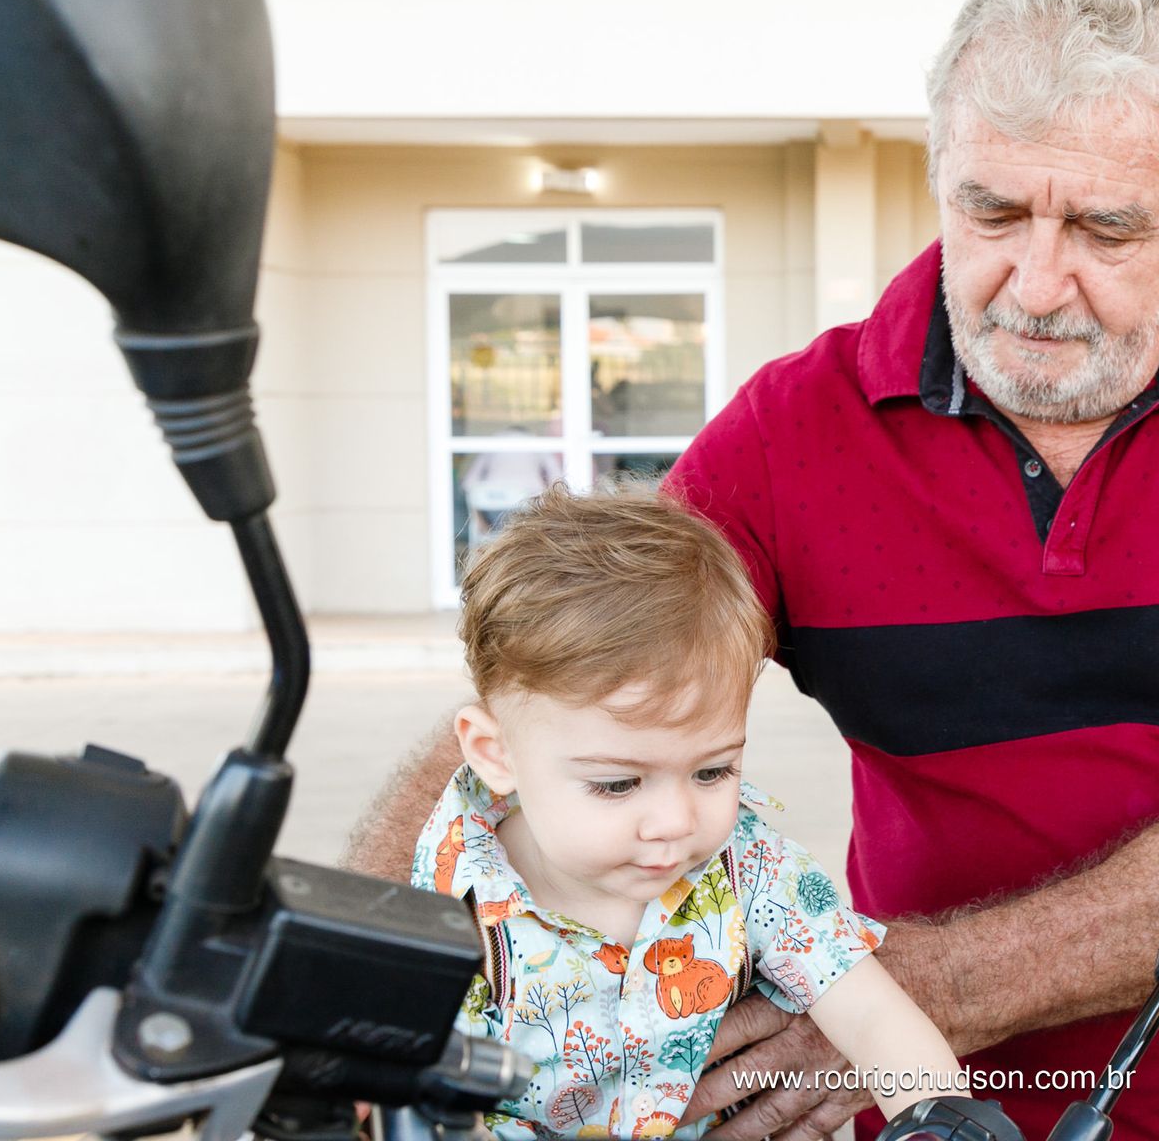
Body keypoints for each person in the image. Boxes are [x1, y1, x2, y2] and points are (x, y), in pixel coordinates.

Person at [351, 0, 1159, 1139]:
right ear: (942, 174)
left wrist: (883, 997)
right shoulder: (796, 433)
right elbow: (555, 688)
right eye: (991, 212)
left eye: (1103, 229)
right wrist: (337, 981)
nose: (1035, 284)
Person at [410, 486, 966, 1138]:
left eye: (712, 771)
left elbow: (872, 1016)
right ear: (494, 752)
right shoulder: (455, 900)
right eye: (618, 784)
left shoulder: (750, 867)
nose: (675, 820)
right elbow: (410, 1089)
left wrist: (944, 1121)